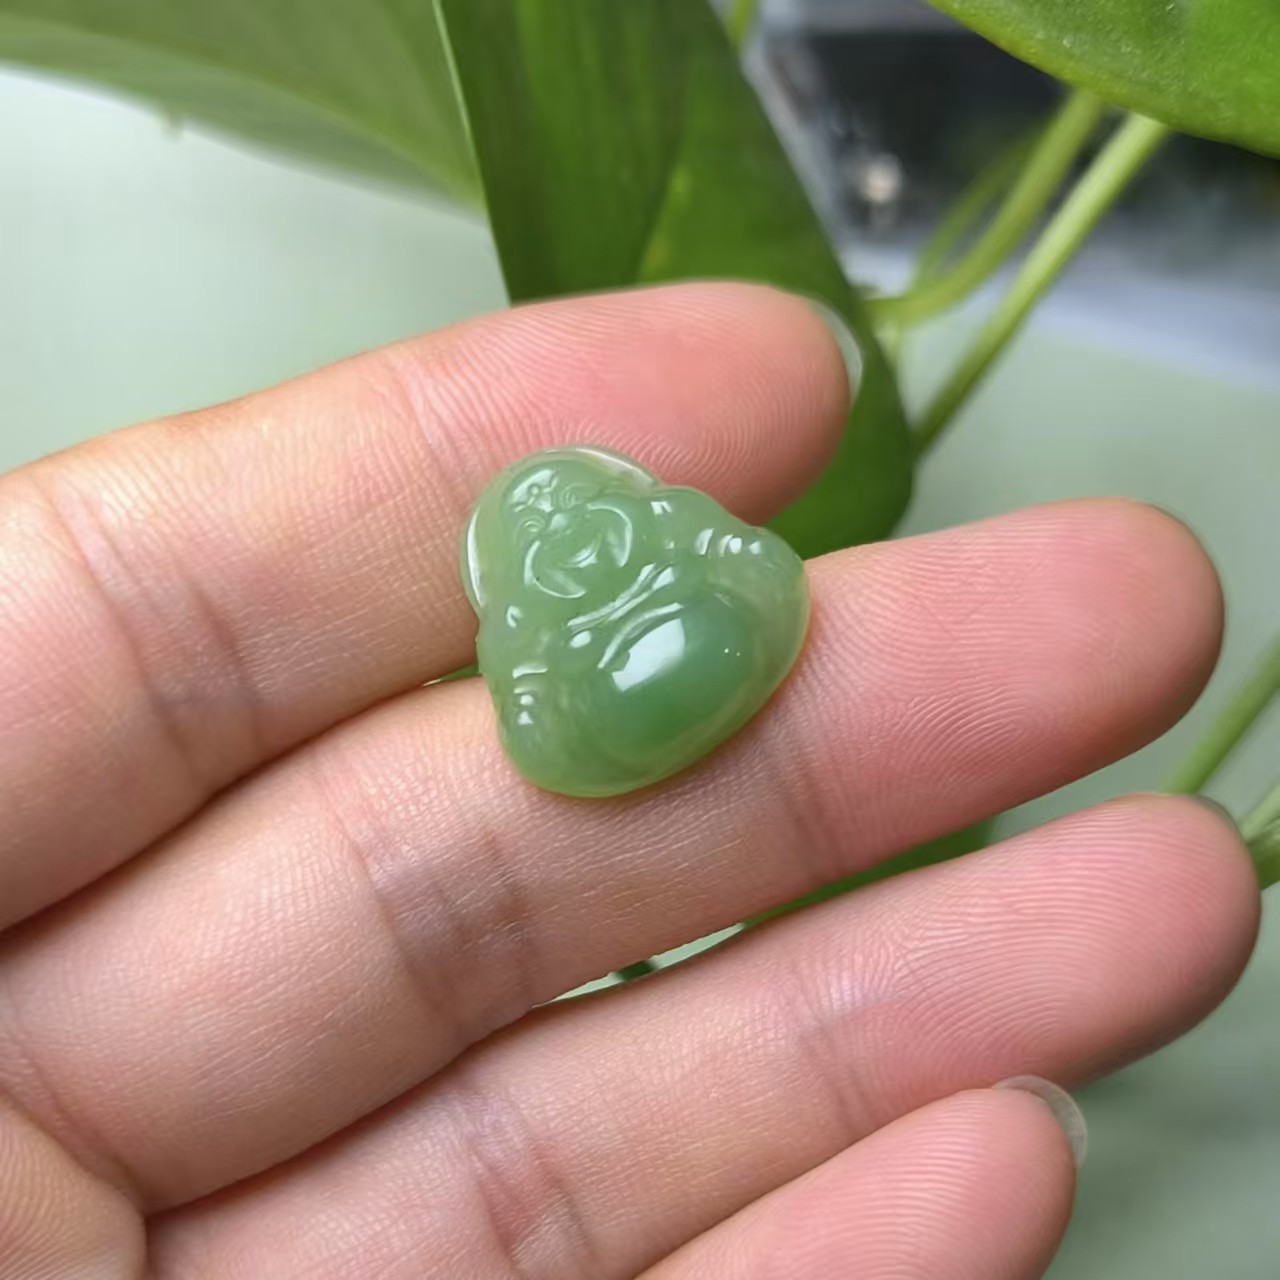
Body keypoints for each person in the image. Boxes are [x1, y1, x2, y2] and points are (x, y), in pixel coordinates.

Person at [0, 283, 1258, 1278]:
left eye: (587, 521)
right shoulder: (527, 632)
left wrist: (703, 580)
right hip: (616, 689)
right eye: (547, 546)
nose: (576, 546)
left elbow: (752, 568)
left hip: (702, 632)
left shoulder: (680, 540)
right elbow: (535, 722)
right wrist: (557, 671)